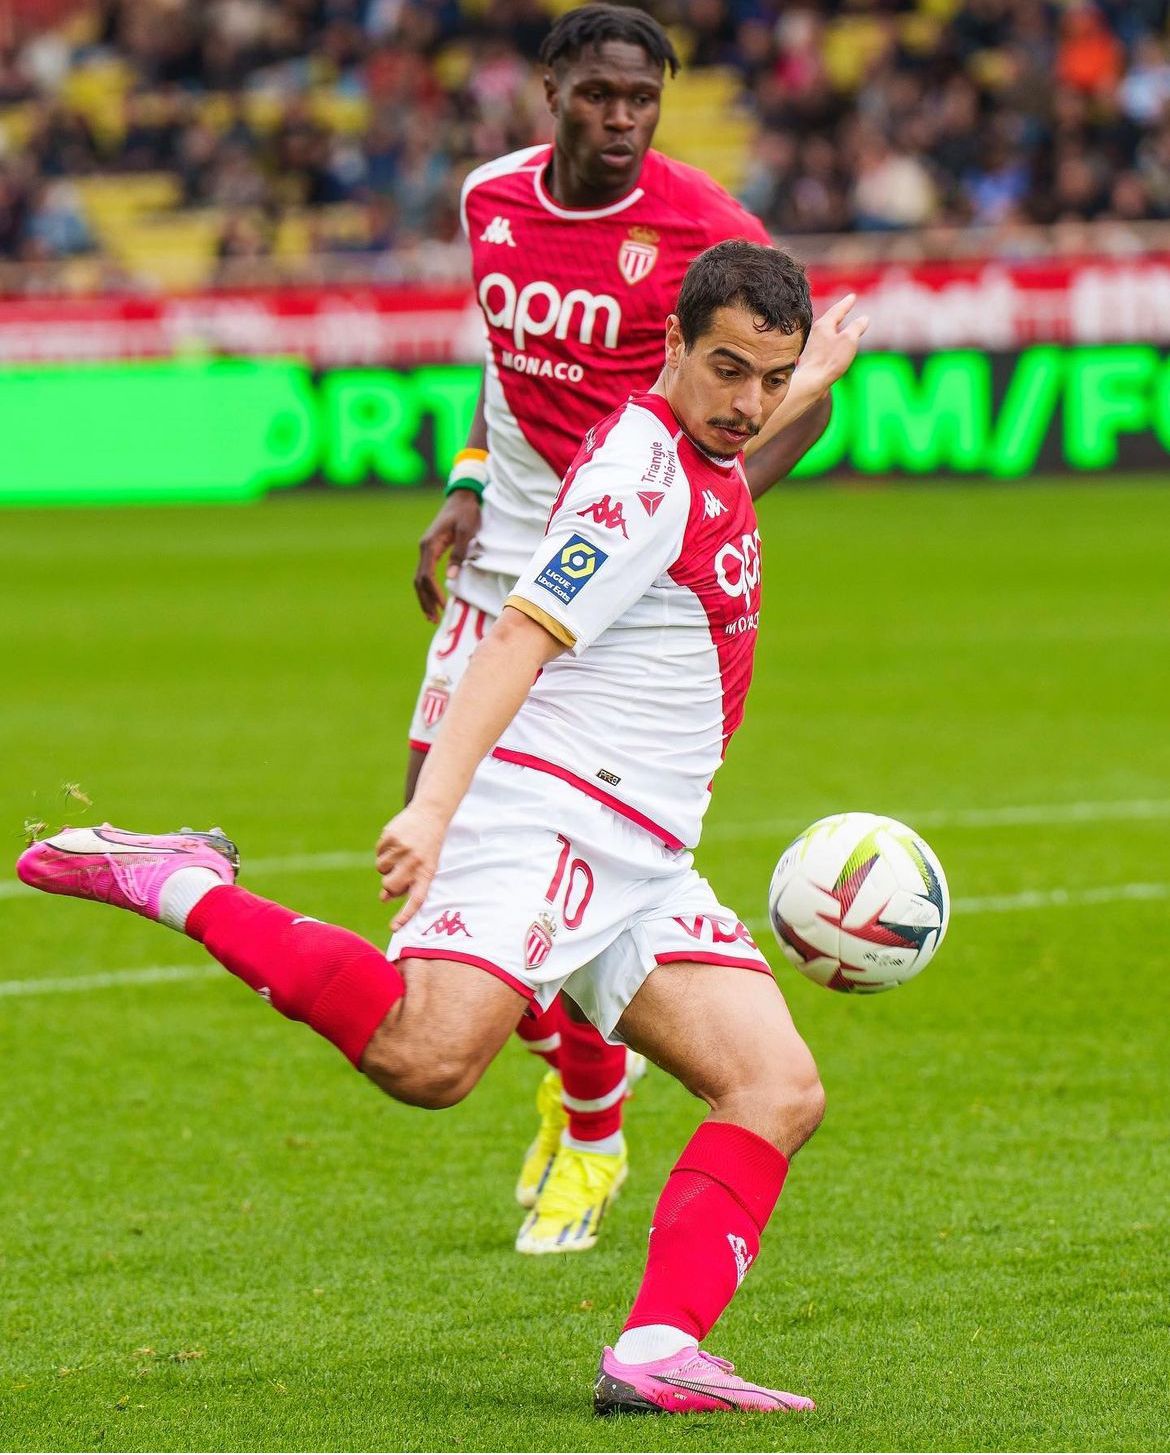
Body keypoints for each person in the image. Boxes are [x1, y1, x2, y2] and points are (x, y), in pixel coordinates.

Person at [20, 239, 846, 1415]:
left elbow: (763, 429)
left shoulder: (704, 446)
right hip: (554, 810)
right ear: (672, 344)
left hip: (644, 852)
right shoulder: (640, 479)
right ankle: (179, 881)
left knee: (776, 1086)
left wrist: (816, 372)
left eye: (769, 379)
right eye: (728, 372)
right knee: (427, 1058)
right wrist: (436, 802)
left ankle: (657, 1352)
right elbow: (517, 634)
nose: (749, 404)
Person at [407, 2, 864, 1254]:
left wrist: (671, 545)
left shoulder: (710, 231)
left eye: (642, 99)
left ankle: (595, 1117)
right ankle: (590, 1087)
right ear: (549, 86)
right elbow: (503, 361)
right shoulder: (487, 200)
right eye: (599, 94)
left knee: (531, 861)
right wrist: (462, 476)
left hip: (616, 568)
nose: (621, 118)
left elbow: (798, 401)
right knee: (445, 856)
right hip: (504, 559)